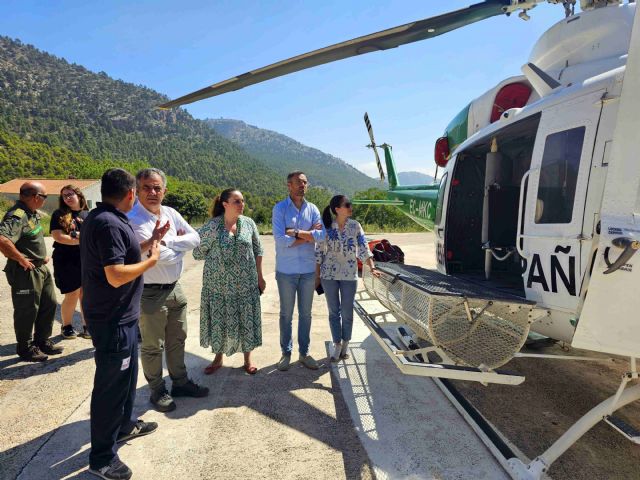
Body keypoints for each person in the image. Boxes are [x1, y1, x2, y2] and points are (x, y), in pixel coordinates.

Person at [81, 168, 161, 480]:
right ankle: (101, 458)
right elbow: (115, 275)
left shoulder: (104, 218)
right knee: (110, 388)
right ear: (130, 194)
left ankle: (125, 426)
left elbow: (120, 257)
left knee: (127, 380)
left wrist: (150, 242)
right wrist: (151, 262)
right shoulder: (109, 224)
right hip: (113, 320)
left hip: (122, 317)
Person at [128, 168, 209, 412]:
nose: (152, 192)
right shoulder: (133, 218)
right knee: (153, 346)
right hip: (150, 293)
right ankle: (156, 390)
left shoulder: (171, 213)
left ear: (164, 190)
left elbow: (196, 239)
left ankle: (181, 382)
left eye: (157, 188)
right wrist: (174, 249)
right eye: (146, 188)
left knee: (178, 339)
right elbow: (159, 256)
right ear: (137, 191)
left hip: (176, 288)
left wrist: (169, 242)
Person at [193, 188, 265, 375]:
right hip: (217, 286)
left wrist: (260, 276)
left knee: (246, 320)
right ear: (225, 204)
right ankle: (218, 358)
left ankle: (248, 360)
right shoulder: (212, 226)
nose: (242, 204)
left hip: (246, 285)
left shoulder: (248, 224)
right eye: (237, 201)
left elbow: (258, 250)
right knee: (219, 321)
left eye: (242, 201)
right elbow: (197, 252)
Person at [0, 181, 63, 362]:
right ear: (36, 197)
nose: (44, 200)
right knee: (27, 310)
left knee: (49, 304)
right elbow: (3, 240)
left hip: (40, 268)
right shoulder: (17, 215)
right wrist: (21, 258)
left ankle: (42, 341)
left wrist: (39, 257)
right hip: (25, 272)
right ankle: (26, 348)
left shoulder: (31, 213)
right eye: (43, 197)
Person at [316, 195, 380, 361]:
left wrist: (372, 267)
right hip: (328, 275)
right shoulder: (327, 226)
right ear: (337, 209)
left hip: (349, 275)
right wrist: (317, 276)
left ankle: (346, 343)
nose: (351, 207)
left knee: (347, 312)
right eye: (347, 205)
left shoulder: (355, 226)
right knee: (333, 311)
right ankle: (337, 344)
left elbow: (364, 248)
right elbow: (319, 252)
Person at [272, 171, 324, 371]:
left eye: (305, 182)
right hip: (286, 271)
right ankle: (286, 353)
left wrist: (294, 233)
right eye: (299, 182)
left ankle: (304, 353)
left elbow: (321, 235)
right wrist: (308, 236)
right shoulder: (280, 209)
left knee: (306, 314)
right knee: (286, 314)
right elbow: (280, 240)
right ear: (289, 185)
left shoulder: (313, 209)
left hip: (308, 271)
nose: (303, 185)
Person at [50, 184, 91, 340]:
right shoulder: (59, 215)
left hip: (86, 260)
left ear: (79, 195)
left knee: (86, 294)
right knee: (72, 294)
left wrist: (75, 235)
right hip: (66, 260)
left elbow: (95, 237)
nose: (67, 197)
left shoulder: (89, 214)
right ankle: (66, 326)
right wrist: (82, 238)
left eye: (70, 194)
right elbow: (59, 237)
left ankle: (87, 326)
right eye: (64, 196)